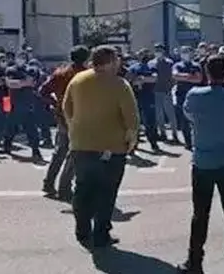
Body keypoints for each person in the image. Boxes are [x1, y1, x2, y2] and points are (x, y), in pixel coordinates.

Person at [62, 45, 139, 248]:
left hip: (81, 144)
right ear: (111, 62)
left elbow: (66, 107)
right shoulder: (119, 84)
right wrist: (131, 142)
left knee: (82, 188)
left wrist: (74, 128)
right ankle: (101, 234)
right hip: (111, 147)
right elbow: (131, 118)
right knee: (106, 193)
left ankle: (82, 231)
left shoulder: (77, 80)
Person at [177, 54, 224, 274]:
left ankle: (195, 261)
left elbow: (188, 115)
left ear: (207, 73)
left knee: (200, 214)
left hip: (203, 161)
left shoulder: (195, 95)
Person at [39, 45, 88, 201]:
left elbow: (43, 91)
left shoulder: (60, 73)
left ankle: (48, 183)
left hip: (62, 116)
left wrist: (55, 103)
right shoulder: (87, 75)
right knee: (75, 153)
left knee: (60, 151)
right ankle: (64, 188)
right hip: (80, 117)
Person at [3, 51, 42, 161]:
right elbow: (9, 83)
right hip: (12, 103)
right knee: (10, 127)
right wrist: (23, 83)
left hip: (27, 103)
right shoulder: (10, 69)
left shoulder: (31, 69)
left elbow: (31, 82)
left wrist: (18, 83)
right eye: (19, 57)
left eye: (23, 57)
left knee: (31, 129)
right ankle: (7, 147)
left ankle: (36, 151)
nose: (21, 59)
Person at [128, 50, 161, 153]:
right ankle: (134, 144)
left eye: (145, 54)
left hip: (148, 97)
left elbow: (154, 78)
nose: (143, 56)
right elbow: (130, 80)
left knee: (150, 121)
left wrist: (142, 79)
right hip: (136, 97)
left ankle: (153, 142)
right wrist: (141, 79)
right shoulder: (133, 67)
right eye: (141, 54)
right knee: (135, 122)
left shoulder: (151, 67)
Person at [172, 47, 203, 150]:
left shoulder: (196, 65)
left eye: (187, 52)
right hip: (181, 96)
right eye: (183, 52)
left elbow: (198, 79)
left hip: (195, 96)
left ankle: (197, 141)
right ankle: (188, 143)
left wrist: (184, 77)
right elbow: (175, 76)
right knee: (184, 121)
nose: (185, 54)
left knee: (196, 121)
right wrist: (190, 76)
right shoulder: (177, 65)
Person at [148, 43, 177, 144]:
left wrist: (171, 87)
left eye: (160, 50)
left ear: (163, 51)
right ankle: (163, 133)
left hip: (166, 91)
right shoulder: (151, 63)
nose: (158, 52)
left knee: (170, 114)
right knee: (159, 114)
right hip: (155, 91)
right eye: (156, 50)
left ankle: (174, 134)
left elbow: (173, 77)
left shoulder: (169, 62)